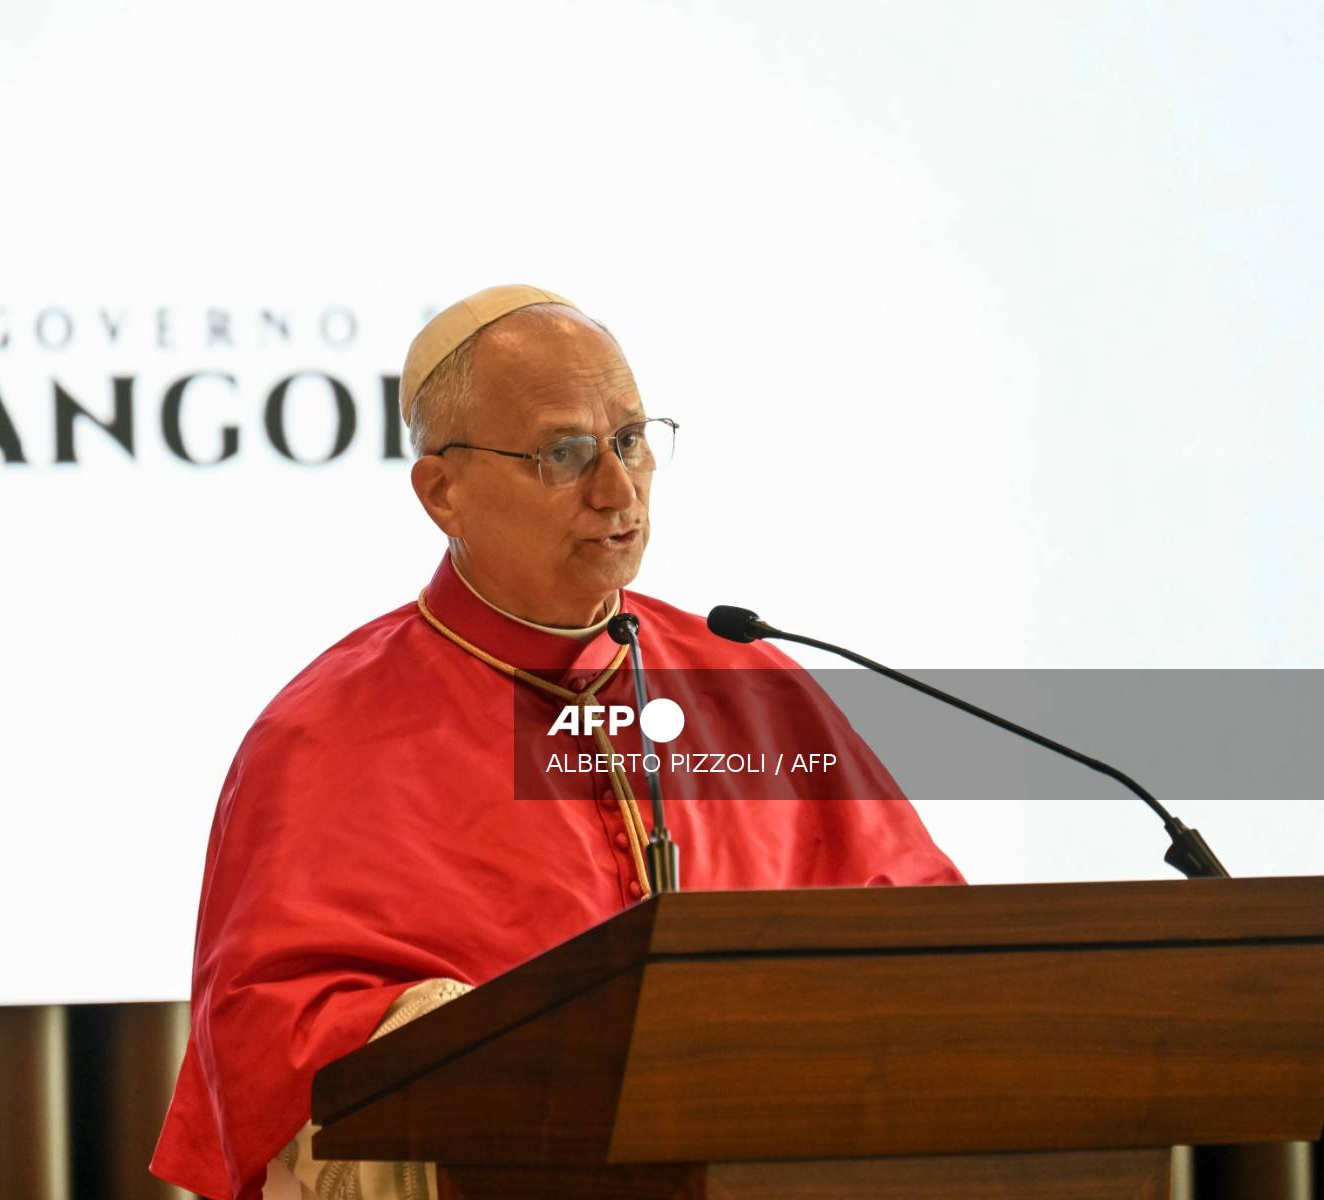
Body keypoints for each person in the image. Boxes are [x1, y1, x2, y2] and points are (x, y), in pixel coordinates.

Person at [151, 285, 963, 1200]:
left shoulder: (748, 681)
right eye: (564, 453)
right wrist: (479, 1042)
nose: (617, 489)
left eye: (631, 440)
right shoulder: (322, 737)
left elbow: (927, 941)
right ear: (442, 490)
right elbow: (272, 1038)